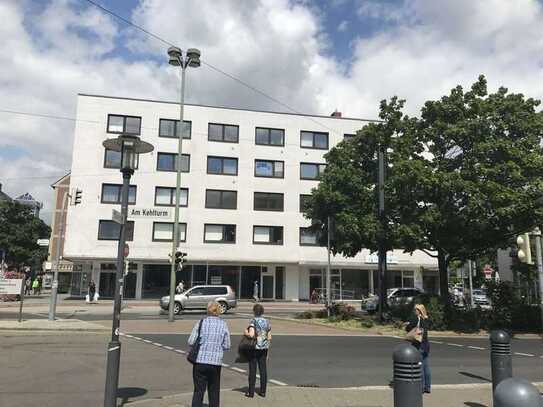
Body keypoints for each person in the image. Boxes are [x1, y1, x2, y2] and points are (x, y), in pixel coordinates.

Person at [188, 301, 231, 407]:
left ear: (208, 310)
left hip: (200, 361)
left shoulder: (201, 323)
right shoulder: (223, 324)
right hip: (215, 363)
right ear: (219, 311)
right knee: (214, 391)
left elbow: (191, 341)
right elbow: (227, 345)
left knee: (198, 391)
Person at [244, 303, 271, 398]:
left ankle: (251, 392)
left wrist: (246, 332)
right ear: (262, 312)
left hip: (254, 348)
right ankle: (263, 391)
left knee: (252, 369)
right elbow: (269, 337)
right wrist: (268, 351)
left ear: (254, 312)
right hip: (264, 348)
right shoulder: (267, 322)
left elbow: (251, 335)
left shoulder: (253, 321)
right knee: (263, 370)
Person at [405, 303, 431, 394]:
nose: (414, 311)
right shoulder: (426, 318)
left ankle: (422, 387)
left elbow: (408, 328)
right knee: (426, 366)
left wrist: (407, 325)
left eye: (415, 310)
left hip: (418, 344)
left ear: (419, 311)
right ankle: (428, 387)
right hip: (426, 345)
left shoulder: (416, 318)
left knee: (419, 366)